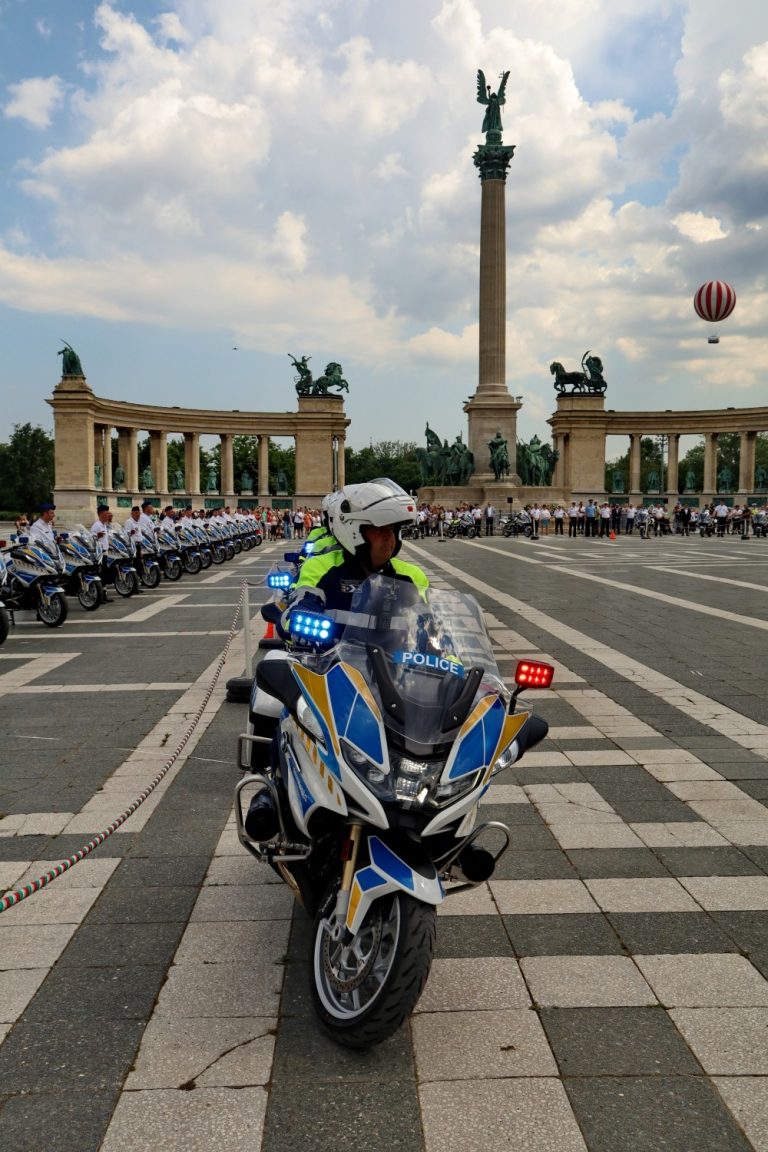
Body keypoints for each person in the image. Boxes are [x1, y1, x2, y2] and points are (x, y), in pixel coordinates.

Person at [285, 479, 427, 624]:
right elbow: (297, 606)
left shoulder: (412, 575)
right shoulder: (321, 567)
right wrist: (303, 612)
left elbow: (429, 621)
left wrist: (438, 634)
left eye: (392, 529)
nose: (387, 537)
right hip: (332, 646)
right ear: (353, 530)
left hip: (396, 647)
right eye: (378, 529)